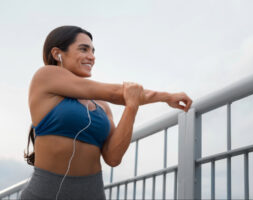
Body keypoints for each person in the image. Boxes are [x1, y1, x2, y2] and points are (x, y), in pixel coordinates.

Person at [21, 25, 192, 200]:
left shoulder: (102, 106)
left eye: (93, 51)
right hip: (43, 194)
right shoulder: (45, 76)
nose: (92, 57)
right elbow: (115, 93)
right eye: (84, 49)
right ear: (58, 53)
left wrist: (131, 107)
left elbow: (113, 158)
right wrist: (167, 96)